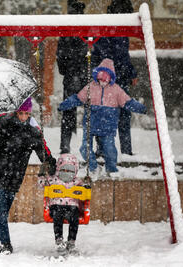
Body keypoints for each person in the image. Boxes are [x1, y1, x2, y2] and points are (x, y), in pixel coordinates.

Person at [0, 97, 57, 254]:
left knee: (2, 211)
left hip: (14, 176)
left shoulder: (32, 132)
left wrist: (50, 162)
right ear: (16, 112)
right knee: (0, 211)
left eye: (26, 114)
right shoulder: (3, 122)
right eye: (21, 113)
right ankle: (6, 244)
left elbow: (42, 149)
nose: (23, 117)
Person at [58, 59, 146, 176]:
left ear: (111, 78)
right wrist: (64, 105)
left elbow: (128, 102)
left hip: (108, 125)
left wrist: (141, 108)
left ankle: (111, 169)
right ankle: (94, 167)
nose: (102, 81)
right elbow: (77, 98)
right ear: (96, 76)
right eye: (100, 78)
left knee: (109, 149)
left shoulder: (116, 90)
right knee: (85, 148)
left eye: (105, 78)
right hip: (90, 123)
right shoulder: (91, 87)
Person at [92, 0, 138, 156]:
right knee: (122, 116)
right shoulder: (119, 28)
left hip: (106, 78)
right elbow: (121, 55)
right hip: (118, 77)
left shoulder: (107, 27)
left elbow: (101, 54)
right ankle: (125, 150)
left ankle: (102, 149)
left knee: (104, 114)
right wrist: (130, 72)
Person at [56, 0, 87, 154]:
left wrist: (65, 70)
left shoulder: (66, 29)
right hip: (84, 76)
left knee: (68, 112)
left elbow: (60, 54)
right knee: (92, 112)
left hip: (70, 76)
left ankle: (65, 144)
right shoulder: (86, 28)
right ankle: (94, 146)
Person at [38, 153, 83, 255]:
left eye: (70, 170)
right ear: (59, 169)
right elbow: (41, 184)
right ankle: (59, 240)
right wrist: (41, 175)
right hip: (56, 206)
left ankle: (71, 241)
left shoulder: (77, 181)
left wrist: (87, 186)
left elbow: (84, 190)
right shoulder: (54, 179)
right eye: (64, 170)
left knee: (74, 218)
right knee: (58, 216)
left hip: (72, 207)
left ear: (75, 171)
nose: (67, 172)